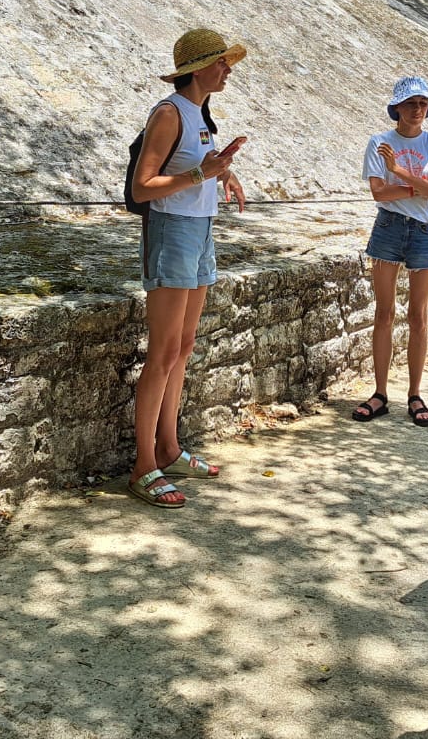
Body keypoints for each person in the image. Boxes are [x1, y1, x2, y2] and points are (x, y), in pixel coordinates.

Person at [126, 28, 247, 507]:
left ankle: (170, 448)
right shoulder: (168, 113)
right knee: (162, 352)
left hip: (199, 230)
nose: (227, 69)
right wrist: (205, 173)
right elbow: (144, 187)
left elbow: (199, 167)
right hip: (172, 231)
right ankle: (143, 466)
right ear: (197, 68)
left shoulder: (199, 115)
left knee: (184, 345)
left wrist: (225, 171)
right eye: (220, 62)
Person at [352, 77, 428, 427]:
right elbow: (378, 194)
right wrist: (417, 187)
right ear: (397, 108)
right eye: (411, 103)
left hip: (424, 231)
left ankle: (414, 393)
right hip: (389, 228)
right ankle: (380, 392)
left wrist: (398, 172)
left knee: (418, 316)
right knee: (384, 313)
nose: (417, 109)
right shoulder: (379, 142)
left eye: (423, 103)